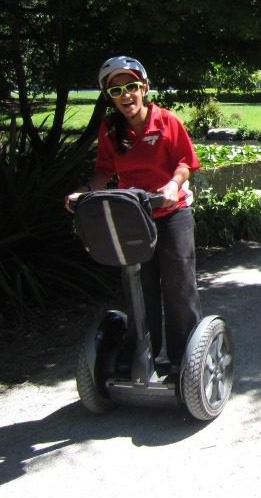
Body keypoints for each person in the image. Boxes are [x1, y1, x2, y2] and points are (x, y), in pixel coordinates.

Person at [66, 56, 201, 373]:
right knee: (140, 289)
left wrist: (172, 185)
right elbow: (104, 171)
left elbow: (186, 162)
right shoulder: (111, 130)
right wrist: (85, 191)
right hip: (133, 216)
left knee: (178, 287)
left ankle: (184, 362)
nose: (125, 95)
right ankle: (145, 359)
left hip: (171, 212)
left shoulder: (167, 121)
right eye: (116, 91)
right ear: (109, 97)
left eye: (131, 87)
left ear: (144, 88)